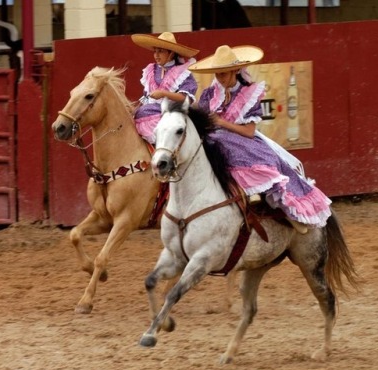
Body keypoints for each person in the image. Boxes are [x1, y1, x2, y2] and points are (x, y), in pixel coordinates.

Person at [189, 45, 332, 233]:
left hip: (241, 139)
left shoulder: (249, 93)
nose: (219, 77)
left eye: (223, 73)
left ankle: (270, 201)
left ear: (235, 70)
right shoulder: (210, 94)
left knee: (258, 160)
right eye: (217, 74)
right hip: (214, 137)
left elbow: (249, 132)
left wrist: (221, 123)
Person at [131, 32, 200, 144]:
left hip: (174, 111)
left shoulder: (182, 71)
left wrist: (164, 93)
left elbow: (186, 98)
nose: (156, 55)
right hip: (151, 109)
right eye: (155, 51)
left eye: (161, 51)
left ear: (171, 53)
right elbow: (146, 97)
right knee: (136, 113)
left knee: (144, 112)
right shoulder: (151, 70)